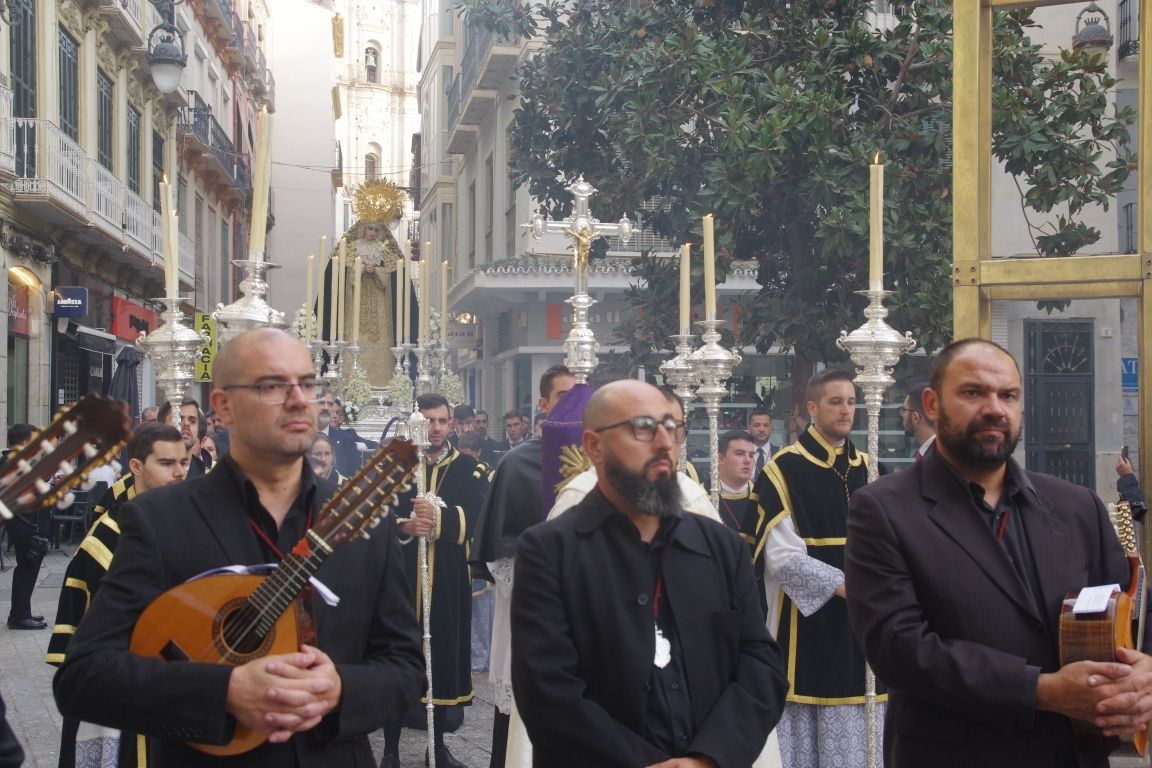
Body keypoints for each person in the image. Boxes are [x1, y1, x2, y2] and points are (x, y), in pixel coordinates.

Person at [54, 327, 424, 767]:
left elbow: (405, 668)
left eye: (307, 384)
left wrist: (341, 689)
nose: (298, 400)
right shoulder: (160, 520)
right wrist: (222, 691)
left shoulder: (367, 524)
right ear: (223, 406)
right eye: (271, 385)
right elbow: (83, 678)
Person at [845, 338, 1152, 768]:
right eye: (973, 393)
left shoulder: (1076, 505)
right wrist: (1039, 690)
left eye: (1008, 395)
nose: (995, 408)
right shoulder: (883, 509)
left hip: (1072, 754)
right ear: (932, 404)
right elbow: (899, 649)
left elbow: (1125, 613)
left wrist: (1142, 672)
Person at [511, 380, 788, 766]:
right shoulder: (548, 551)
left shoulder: (722, 547)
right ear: (594, 446)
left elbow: (760, 664)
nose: (664, 443)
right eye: (643, 428)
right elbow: (547, 689)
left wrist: (708, 757)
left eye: (671, 428)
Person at [751, 368, 881, 768]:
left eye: (852, 402)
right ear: (812, 408)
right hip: (806, 625)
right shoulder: (782, 470)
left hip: (867, 622)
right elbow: (781, 557)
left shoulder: (869, 468)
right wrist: (848, 588)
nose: (846, 411)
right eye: (835, 402)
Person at [47, 422, 188, 768]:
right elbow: (81, 644)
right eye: (167, 464)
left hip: (182, 687)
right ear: (136, 467)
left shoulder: (187, 522)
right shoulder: (106, 541)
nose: (180, 473)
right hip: (126, 693)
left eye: (183, 463)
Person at [470, 364, 576, 768]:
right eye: (564, 396)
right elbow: (500, 557)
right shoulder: (517, 465)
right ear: (543, 404)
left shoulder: (609, 461)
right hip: (531, 614)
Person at [381, 392, 491, 768]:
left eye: (443, 420)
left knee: (442, 661)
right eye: (429, 421)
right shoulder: (395, 469)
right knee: (398, 661)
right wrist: (405, 525)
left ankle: (437, 747)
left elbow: (480, 520)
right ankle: (390, 750)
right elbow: (375, 519)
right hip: (401, 585)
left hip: (447, 585)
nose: (437, 428)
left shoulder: (471, 470)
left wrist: (440, 522)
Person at [3, 423, 48, 630]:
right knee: (26, 570)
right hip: (23, 523)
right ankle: (19, 616)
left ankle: (22, 612)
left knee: (26, 569)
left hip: (21, 522)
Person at [316, 388, 360, 477]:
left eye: (330, 404)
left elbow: (355, 479)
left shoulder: (346, 441)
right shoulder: (297, 439)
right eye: (321, 403)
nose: (326, 408)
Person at [901, 379, 936, 461]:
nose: (902, 415)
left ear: (915, 417)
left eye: (904, 410)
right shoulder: (928, 452)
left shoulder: (939, 458)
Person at [177, 400, 208, 478]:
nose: (186, 424)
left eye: (192, 421)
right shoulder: (147, 473)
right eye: (179, 419)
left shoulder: (210, 476)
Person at [747, 409, 777, 474]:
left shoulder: (780, 454)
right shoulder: (740, 454)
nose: (761, 429)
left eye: (766, 425)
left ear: (772, 428)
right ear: (749, 429)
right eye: (757, 425)